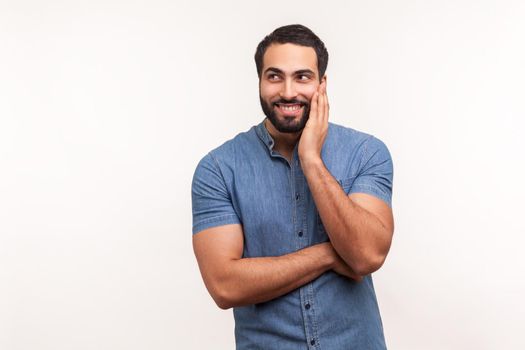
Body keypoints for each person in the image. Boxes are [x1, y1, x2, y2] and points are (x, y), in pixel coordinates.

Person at [191, 24, 394, 350]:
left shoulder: (365, 153)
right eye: (274, 76)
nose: (288, 91)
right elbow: (225, 286)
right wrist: (328, 254)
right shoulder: (218, 169)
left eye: (302, 77)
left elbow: (366, 254)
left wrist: (311, 159)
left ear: (322, 84)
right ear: (259, 81)